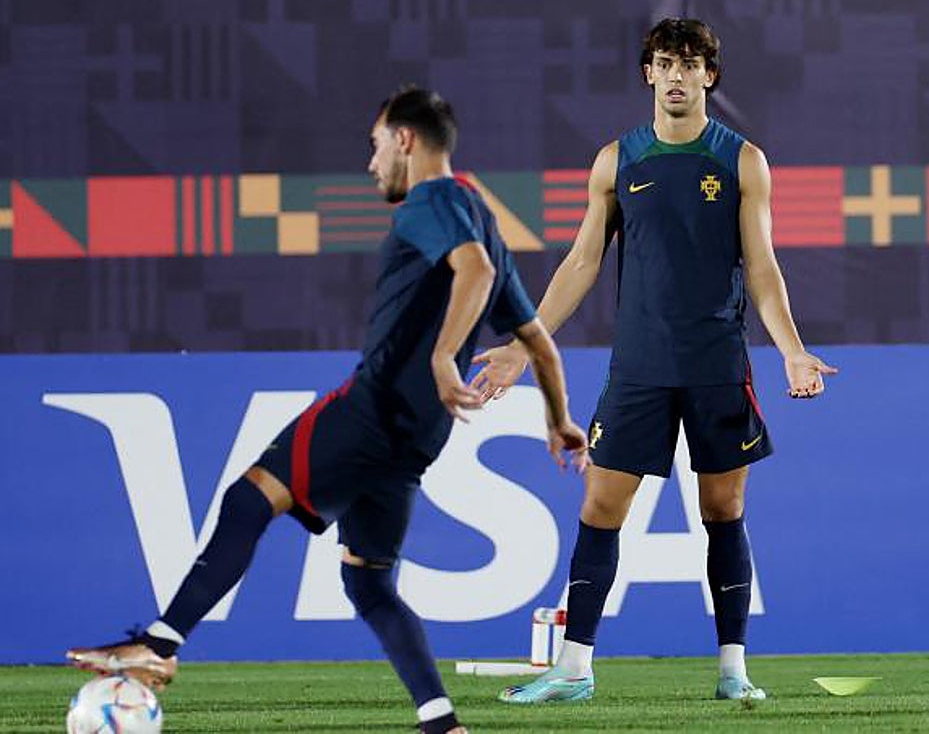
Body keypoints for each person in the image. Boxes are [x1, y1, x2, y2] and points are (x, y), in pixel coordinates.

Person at [66, 87, 589, 734]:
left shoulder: (433, 200)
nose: (371, 163)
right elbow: (537, 339)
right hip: (415, 440)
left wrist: (442, 355)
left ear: (405, 140)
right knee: (369, 584)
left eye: (375, 145)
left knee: (248, 500)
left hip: (370, 411)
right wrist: (558, 418)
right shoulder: (480, 213)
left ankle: (159, 644)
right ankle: (442, 725)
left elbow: (474, 272)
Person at [472, 17, 835, 704]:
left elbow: (762, 267)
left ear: (709, 76)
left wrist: (792, 350)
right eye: (665, 63)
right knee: (600, 505)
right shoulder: (617, 160)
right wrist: (525, 345)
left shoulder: (742, 162)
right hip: (639, 367)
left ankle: (733, 671)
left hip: (717, 364)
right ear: (649, 73)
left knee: (723, 508)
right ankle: (573, 669)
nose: (676, 75)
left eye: (690, 64)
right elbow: (582, 262)